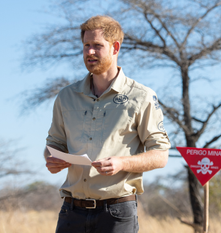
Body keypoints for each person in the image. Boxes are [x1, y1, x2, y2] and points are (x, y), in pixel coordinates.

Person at [43, 15, 171, 233]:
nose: (90, 52)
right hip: (70, 212)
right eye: (86, 45)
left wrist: (122, 163)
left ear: (115, 48)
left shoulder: (142, 96)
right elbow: (53, 143)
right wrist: (51, 159)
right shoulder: (66, 96)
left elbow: (160, 155)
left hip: (117, 213)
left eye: (97, 46)